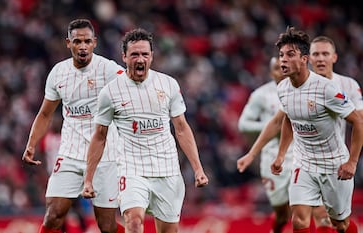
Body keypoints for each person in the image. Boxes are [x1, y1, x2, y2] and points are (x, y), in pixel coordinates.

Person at [81, 28, 209, 233]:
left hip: (167, 169)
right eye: (134, 54)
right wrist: (88, 178)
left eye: (144, 54)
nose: (140, 59)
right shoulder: (110, 93)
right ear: (124, 56)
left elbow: (182, 129)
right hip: (131, 169)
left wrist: (198, 169)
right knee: (133, 221)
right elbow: (99, 136)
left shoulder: (168, 85)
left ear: (152, 56)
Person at [238, 34, 363, 233]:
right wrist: (280, 155)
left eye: (290, 55)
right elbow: (288, 119)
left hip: (333, 164)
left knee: (340, 224)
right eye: (281, 55)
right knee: (299, 220)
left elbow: (357, 120)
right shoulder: (283, 88)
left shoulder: (327, 88)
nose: (283, 60)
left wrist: (353, 162)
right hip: (304, 163)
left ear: (304, 59)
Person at [22, 19, 125, 233]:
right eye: (77, 41)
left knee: (106, 226)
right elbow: (44, 113)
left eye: (87, 41)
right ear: (68, 43)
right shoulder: (58, 73)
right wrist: (31, 144)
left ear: (95, 42)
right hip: (70, 153)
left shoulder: (107, 69)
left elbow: (133, 86)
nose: (83, 46)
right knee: (53, 215)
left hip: (105, 155)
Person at [237, 57, 292, 233]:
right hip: (272, 158)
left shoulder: (303, 91)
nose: (281, 71)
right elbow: (243, 124)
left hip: (301, 155)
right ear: (270, 72)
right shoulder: (261, 94)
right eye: (277, 68)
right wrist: (271, 127)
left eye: (285, 67)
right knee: (282, 214)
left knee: (307, 209)